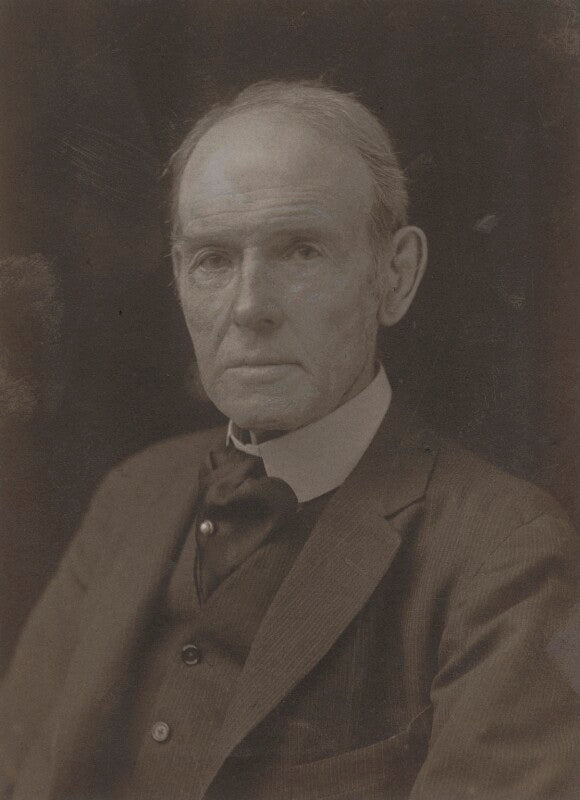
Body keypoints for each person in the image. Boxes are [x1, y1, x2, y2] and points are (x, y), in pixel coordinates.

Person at [0, 80, 577, 800]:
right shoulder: (132, 492)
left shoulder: (506, 553)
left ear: (395, 276)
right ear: (178, 277)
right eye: (213, 259)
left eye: (301, 251)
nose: (249, 308)